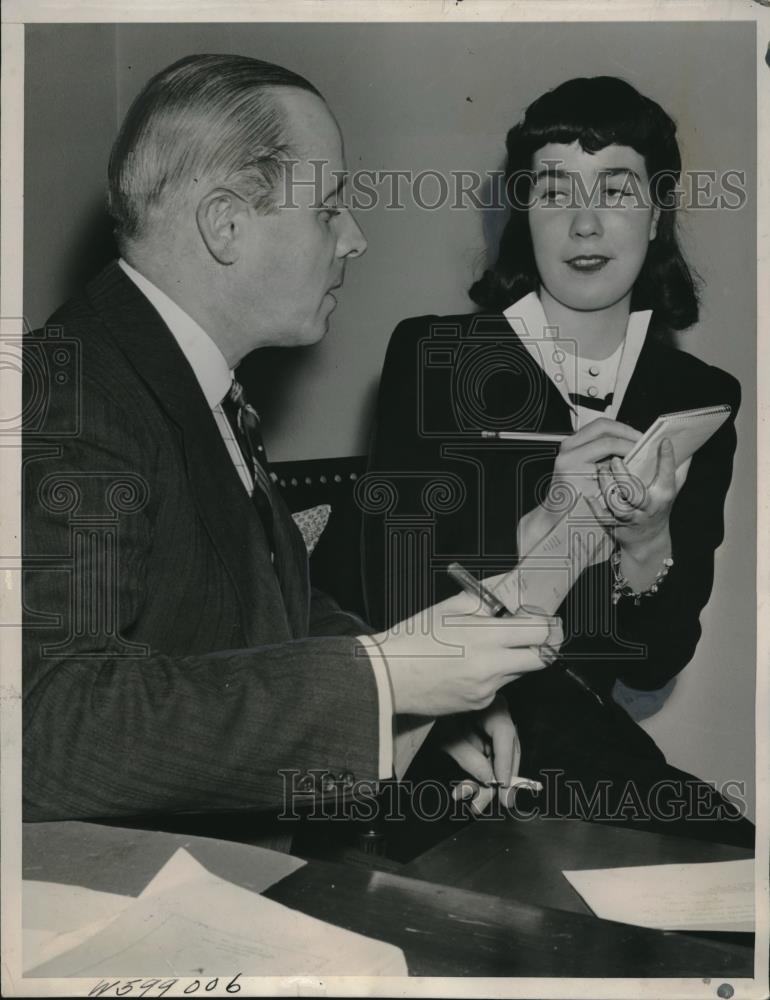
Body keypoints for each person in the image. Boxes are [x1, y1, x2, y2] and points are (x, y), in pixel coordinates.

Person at [22, 54, 560, 842]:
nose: (356, 238)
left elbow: (275, 613)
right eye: (329, 207)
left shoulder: (182, 378)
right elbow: (47, 729)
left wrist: (413, 700)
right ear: (226, 224)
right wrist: (382, 679)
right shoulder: (66, 394)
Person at [364, 76, 753, 845]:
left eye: (615, 188)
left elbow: (650, 665)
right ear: (524, 213)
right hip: (438, 737)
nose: (583, 223)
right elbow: (388, 592)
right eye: (553, 191)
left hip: (584, 748)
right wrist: (539, 525)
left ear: (656, 211)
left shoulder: (697, 396)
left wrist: (647, 542)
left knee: (735, 872)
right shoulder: (436, 356)